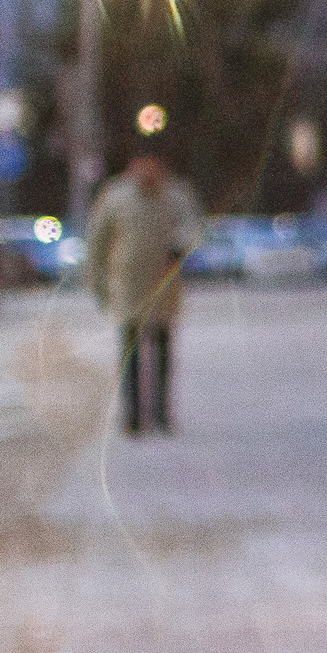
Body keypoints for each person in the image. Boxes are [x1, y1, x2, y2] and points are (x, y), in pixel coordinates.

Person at [86, 143, 200, 436]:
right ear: (133, 165)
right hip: (127, 285)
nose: (149, 170)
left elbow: (192, 228)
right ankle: (133, 415)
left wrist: (178, 248)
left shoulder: (176, 195)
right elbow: (98, 240)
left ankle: (161, 412)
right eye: (143, 163)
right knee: (131, 352)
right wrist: (97, 282)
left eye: (154, 163)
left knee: (162, 348)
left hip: (164, 284)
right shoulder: (116, 196)